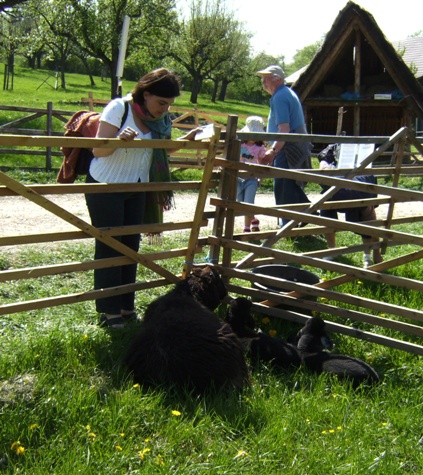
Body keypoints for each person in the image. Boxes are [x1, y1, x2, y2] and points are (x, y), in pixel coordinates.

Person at [85, 68, 195, 329]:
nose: (164, 109)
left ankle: (125, 306)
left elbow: (162, 148)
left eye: (169, 104)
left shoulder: (161, 121)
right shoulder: (119, 108)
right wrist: (119, 141)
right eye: (161, 102)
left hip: (138, 186)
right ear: (146, 94)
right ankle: (108, 311)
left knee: (131, 246)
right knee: (111, 245)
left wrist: (186, 140)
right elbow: (98, 149)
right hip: (106, 185)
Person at [256, 65, 312, 227]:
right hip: (292, 145)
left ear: (277, 79)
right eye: (263, 79)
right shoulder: (285, 94)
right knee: (289, 183)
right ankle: (307, 213)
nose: (263, 82)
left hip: (288, 148)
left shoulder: (280, 97)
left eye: (266, 79)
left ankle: (288, 223)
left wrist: (273, 151)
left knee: (283, 185)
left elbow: (284, 129)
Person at [318, 145, 383, 268]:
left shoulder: (364, 155)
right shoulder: (331, 152)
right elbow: (323, 165)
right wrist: (326, 166)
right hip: (335, 190)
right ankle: (332, 250)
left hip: (359, 191)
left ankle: (369, 255)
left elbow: (371, 220)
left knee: (368, 220)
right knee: (326, 215)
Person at [237, 116, 267, 233]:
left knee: (248, 203)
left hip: (252, 178)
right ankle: (253, 219)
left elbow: (261, 163)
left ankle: (246, 228)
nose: (253, 137)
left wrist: (261, 177)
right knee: (240, 202)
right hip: (238, 177)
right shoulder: (239, 145)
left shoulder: (260, 148)